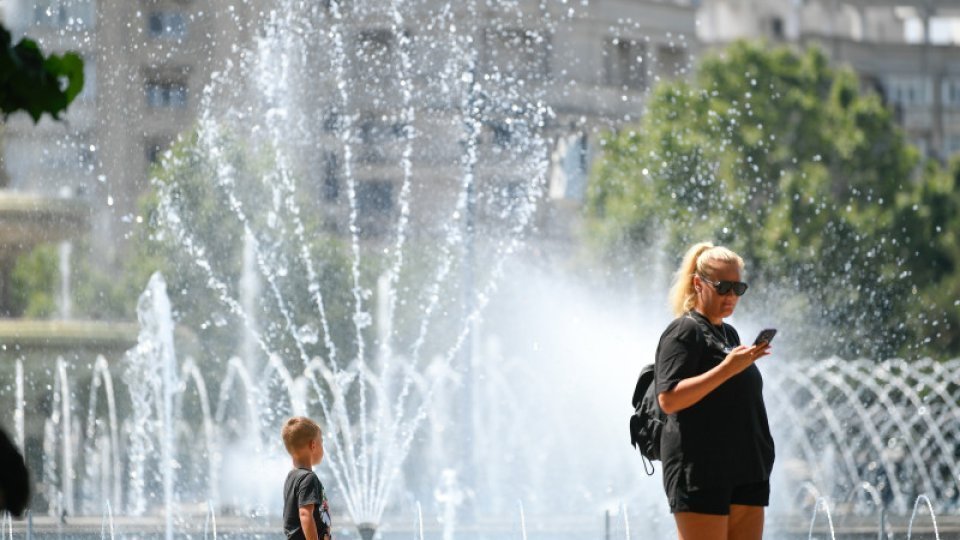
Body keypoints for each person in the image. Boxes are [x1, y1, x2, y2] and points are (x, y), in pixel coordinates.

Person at [654, 242, 775, 540]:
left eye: (738, 287)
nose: (731, 296)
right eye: (723, 287)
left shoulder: (728, 334)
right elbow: (668, 398)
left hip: (746, 469)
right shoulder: (684, 331)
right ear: (699, 283)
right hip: (702, 472)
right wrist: (728, 369)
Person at [282, 417, 332, 540]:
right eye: (321, 442)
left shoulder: (292, 476)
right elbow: (305, 514)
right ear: (313, 445)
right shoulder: (308, 478)